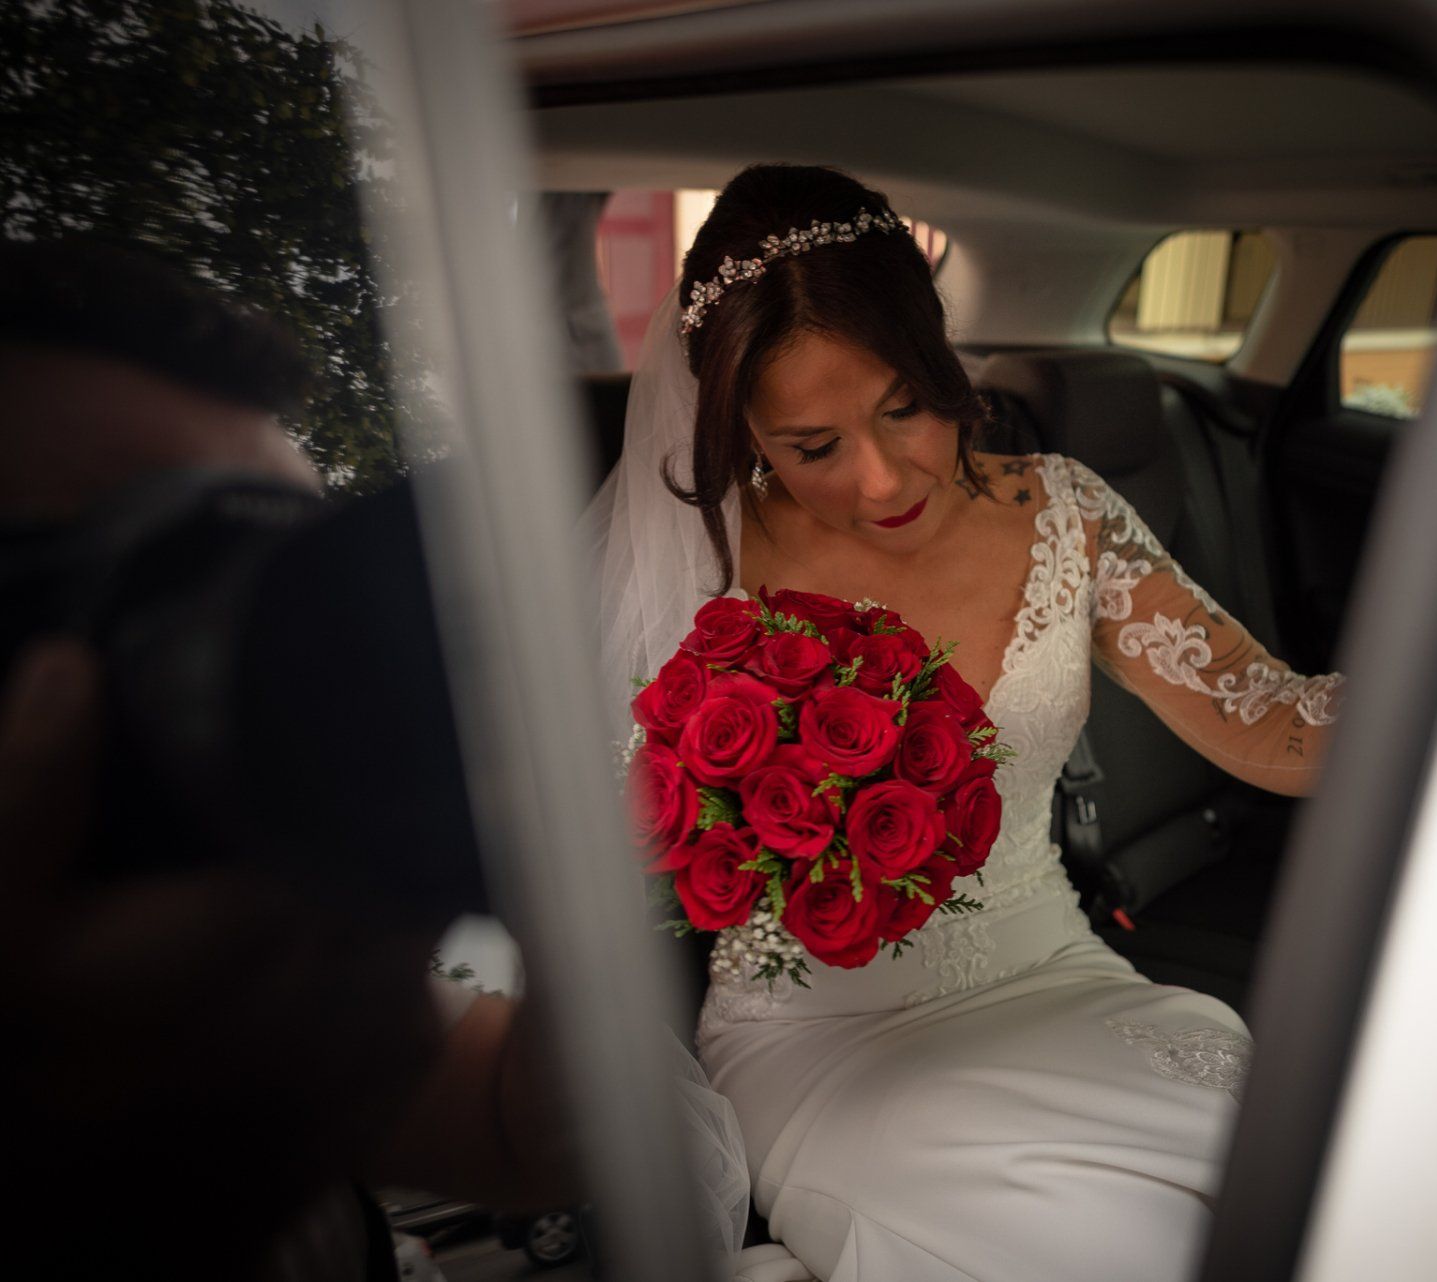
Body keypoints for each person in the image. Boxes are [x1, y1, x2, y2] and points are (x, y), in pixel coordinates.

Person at [585, 164, 1345, 1281]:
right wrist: (742, 829)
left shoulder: (1064, 513)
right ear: (740, 420)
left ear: (941, 354)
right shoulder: (698, 564)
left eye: (904, 407)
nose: (883, 475)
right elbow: (598, 848)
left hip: (1059, 979)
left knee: (1314, 1186)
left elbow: (1272, 721)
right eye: (813, 447)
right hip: (823, 1048)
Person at [0, 240, 584, 1280]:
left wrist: (581, 861)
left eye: (280, 580)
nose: (295, 683)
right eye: (124, 581)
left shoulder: (271, 948)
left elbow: (526, 1135)